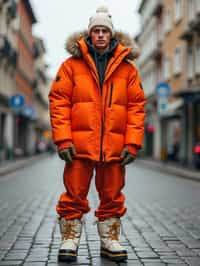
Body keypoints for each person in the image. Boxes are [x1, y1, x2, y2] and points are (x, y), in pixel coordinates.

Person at [49, 6, 146, 263]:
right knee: (74, 193)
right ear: (89, 34)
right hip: (79, 145)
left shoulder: (128, 70)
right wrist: (63, 139)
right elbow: (58, 102)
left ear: (111, 35)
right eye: (96, 30)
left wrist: (132, 143)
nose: (100, 35)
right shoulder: (70, 66)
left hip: (114, 146)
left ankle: (110, 239)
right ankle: (69, 238)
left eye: (105, 31)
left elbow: (136, 107)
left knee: (113, 194)